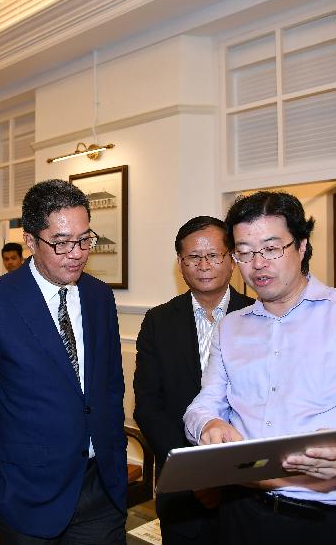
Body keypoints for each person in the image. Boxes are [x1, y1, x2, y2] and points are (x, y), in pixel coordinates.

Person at [183, 191, 336, 545]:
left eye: (272, 249)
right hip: (242, 511)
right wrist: (208, 425)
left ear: (302, 245)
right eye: (243, 252)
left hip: (329, 523)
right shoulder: (231, 326)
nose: (257, 264)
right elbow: (203, 405)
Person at [0, 179, 128, 544]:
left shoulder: (99, 297)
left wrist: (115, 458)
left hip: (101, 491)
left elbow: (110, 385)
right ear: (31, 241)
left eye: (85, 239)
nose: (77, 252)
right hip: (27, 498)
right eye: (62, 242)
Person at [134, 216, 253, 544]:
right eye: (193, 257)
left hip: (248, 484)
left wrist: (228, 473)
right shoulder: (158, 321)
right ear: (180, 263)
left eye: (214, 255)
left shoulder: (260, 316)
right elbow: (148, 405)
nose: (204, 265)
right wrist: (195, 474)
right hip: (182, 486)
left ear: (231, 260)